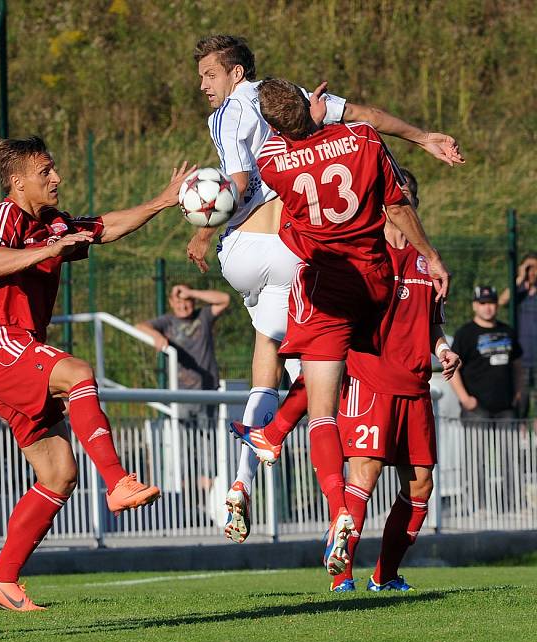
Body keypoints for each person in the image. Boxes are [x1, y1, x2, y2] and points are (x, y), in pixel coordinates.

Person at [188, 35, 464, 545]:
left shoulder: (265, 149)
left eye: (209, 74)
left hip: (275, 263)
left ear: (237, 75)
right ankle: (278, 450)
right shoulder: (356, 138)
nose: (203, 84)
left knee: (280, 358)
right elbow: (371, 123)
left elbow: (242, 181)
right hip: (362, 280)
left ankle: (255, 462)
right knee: (320, 384)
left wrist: (203, 228)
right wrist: (424, 138)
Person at [234, 78, 449, 576]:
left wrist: (303, 123)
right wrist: (430, 255)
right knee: (366, 355)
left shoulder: (270, 158)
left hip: (326, 286)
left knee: (324, 414)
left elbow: (286, 153)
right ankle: (276, 435)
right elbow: (395, 204)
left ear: (273, 125)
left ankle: (336, 510)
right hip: (372, 278)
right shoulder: (364, 139)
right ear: (312, 106)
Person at [0, 136, 189, 611]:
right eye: (45, 171)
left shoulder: (54, 223)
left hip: (21, 352)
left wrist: (162, 202)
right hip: (1, 343)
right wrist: (49, 252)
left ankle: (1, 579)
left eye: (55, 170)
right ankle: (117, 482)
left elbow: (104, 227)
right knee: (78, 371)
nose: (56, 179)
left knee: (59, 473)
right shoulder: (3, 217)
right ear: (17, 180)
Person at [328, 169, 461, 592]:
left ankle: (385, 575)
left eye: (406, 199)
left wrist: (442, 350)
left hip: (416, 388)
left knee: (421, 484)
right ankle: (341, 578)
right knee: (363, 478)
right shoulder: (364, 255)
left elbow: (432, 324)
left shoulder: (429, 262)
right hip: (370, 382)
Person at [136, 284, 230, 419]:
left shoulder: (203, 316)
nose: (183, 306)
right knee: (182, 437)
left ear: (193, 301)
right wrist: (156, 335)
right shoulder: (167, 322)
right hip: (180, 391)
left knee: (207, 438)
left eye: (187, 301)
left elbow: (225, 299)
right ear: (171, 303)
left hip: (207, 389)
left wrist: (191, 292)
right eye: (179, 302)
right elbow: (140, 326)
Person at [449, 286, 522, 420]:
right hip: (476, 410)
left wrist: (518, 393)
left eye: (491, 303)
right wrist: (465, 399)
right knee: (477, 442)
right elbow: (453, 369)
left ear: (497, 305)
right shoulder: (464, 334)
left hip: (506, 408)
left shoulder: (508, 332)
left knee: (509, 442)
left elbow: (517, 365)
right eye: (482, 303)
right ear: (474, 305)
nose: (487, 307)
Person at [499, 253, 537, 417]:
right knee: (521, 405)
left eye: (535, 268)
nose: (533, 272)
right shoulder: (518, 291)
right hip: (521, 358)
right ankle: (521, 440)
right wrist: (520, 277)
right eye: (529, 268)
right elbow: (502, 301)